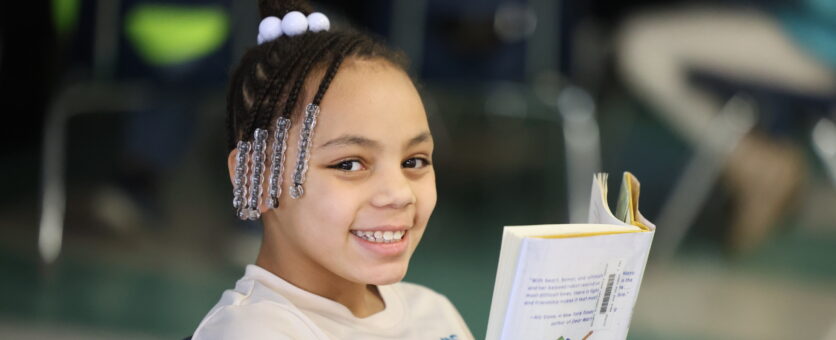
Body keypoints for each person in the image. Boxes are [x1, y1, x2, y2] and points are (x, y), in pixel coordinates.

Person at [190, 0, 474, 339]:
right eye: (350, 164)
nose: (400, 194)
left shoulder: (435, 312)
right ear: (259, 175)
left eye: (414, 162)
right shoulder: (251, 331)